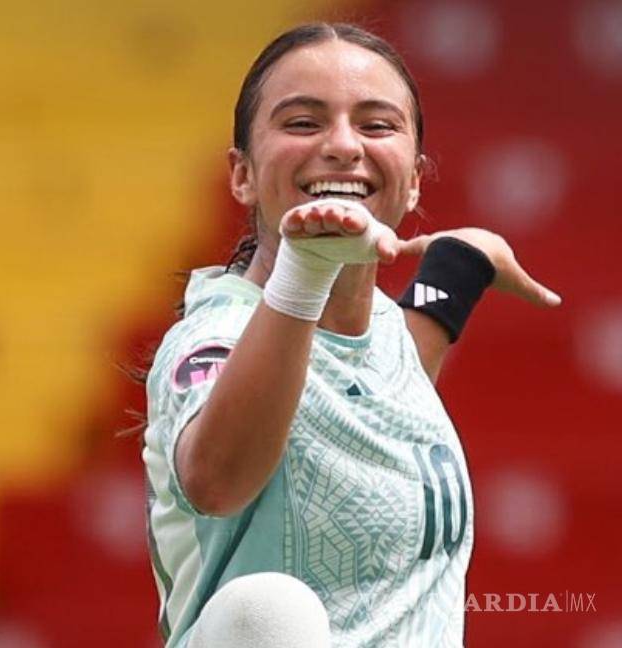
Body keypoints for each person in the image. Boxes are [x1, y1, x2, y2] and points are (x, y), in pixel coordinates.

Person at [142, 22, 560, 647]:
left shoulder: (388, 334)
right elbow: (217, 480)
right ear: (242, 175)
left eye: (376, 125)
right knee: (272, 610)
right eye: (303, 123)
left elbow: (382, 375)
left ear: (415, 178)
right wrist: (304, 271)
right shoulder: (214, 336)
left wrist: (463, 264)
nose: (342, 145)